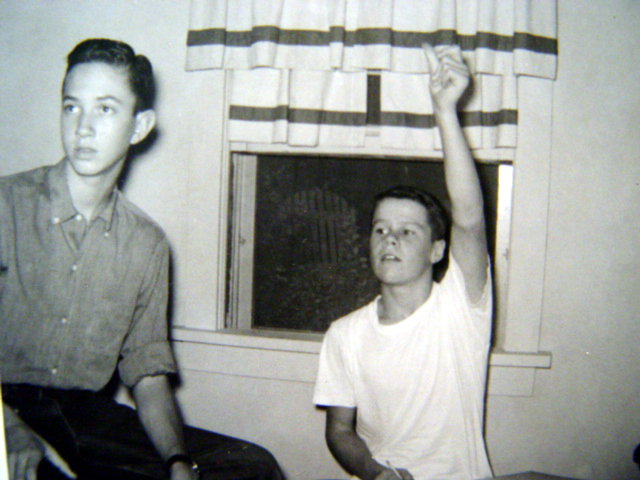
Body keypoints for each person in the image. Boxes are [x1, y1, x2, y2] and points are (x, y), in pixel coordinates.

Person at [0, 38, 282, 480]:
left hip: (87, 420)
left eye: (105, 109)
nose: (83, 127)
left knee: (252, 467)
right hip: (5, 407)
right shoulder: (7, 206)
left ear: (140, 126)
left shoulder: (146, 244)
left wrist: (177, 462)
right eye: (72, 107)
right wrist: (10, 431)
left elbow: (148, 377)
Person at [313, 44, 494, 480]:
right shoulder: (345, 334)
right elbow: (340, 432)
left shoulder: (460, 309)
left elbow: (469, 218)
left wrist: (445, 112)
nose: (389, 239)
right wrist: (376, 473)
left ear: (437, 251)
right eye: (380, 229)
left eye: (407, 231)